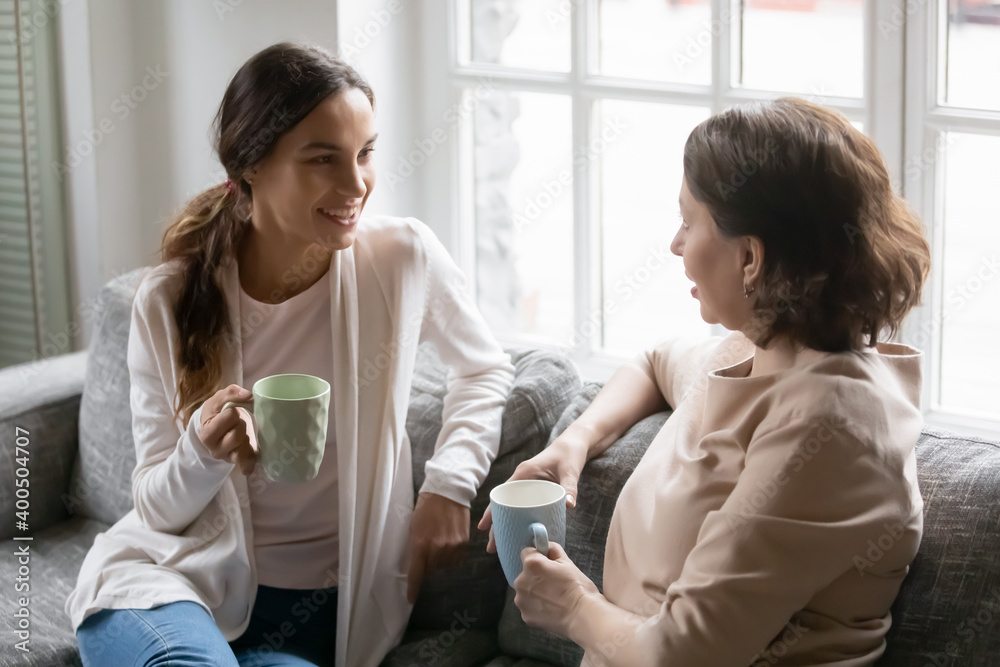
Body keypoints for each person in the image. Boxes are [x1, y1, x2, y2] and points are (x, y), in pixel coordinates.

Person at [65, 42, 514, 667]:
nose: (356, 184)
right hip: (171, 587)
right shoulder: (168, 300)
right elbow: (158, 511)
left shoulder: (401, 258)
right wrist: (202, 451)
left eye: (364, 154)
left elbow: (483, 368)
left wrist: (449, 485)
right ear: (251, 166)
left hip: (324, 619)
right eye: (323, 159)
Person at [479, 97, 931, 666]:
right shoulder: (760, 349)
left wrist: (571, 606)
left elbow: (685, 653)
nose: (675, 244)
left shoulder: (831, 423)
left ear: (750, 257)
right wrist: (577, 440)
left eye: (688, 222)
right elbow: (654, 362)